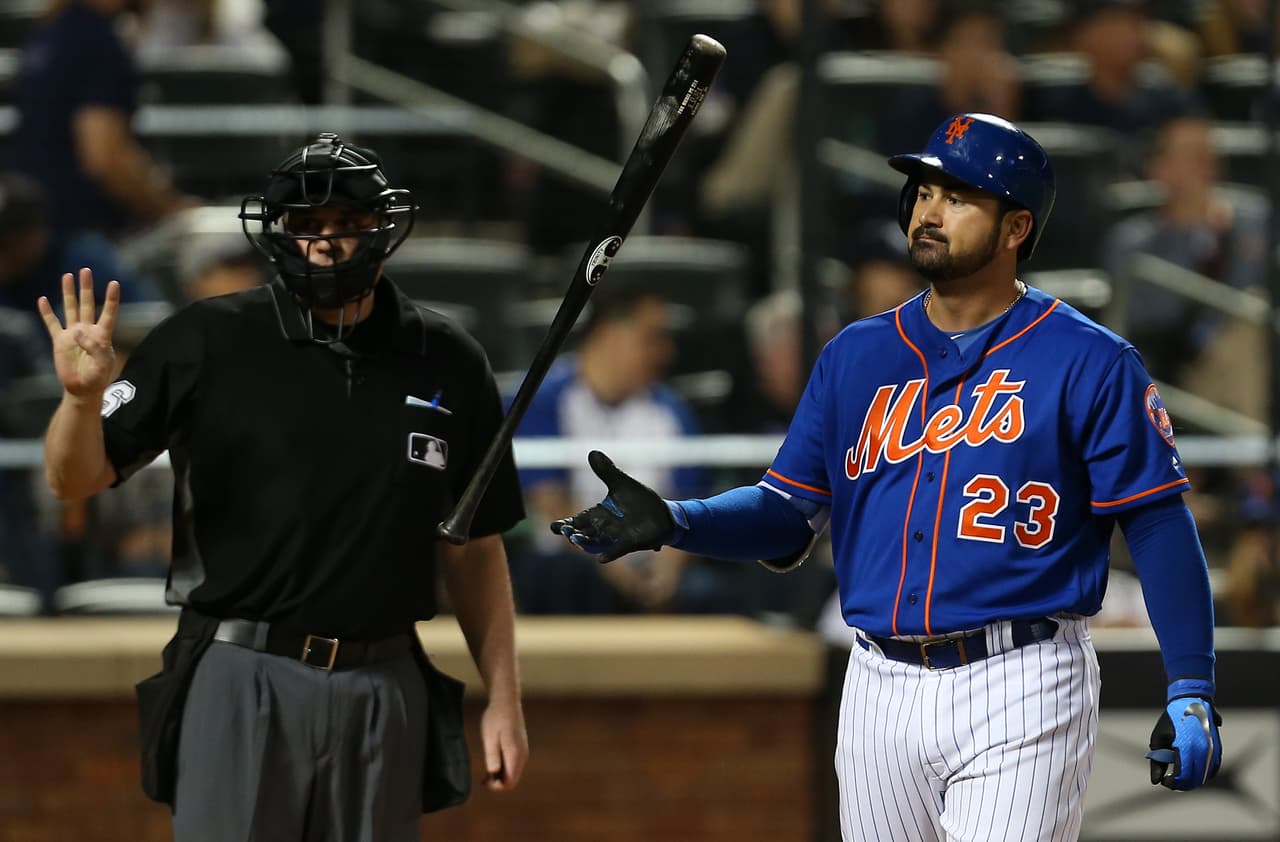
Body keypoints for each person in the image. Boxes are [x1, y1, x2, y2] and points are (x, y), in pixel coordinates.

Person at [551, 114, 1223, 839]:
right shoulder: (857, 355)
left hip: (1022, 676)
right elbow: (787, 510)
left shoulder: (1089, 360)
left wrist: (1190, 686)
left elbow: (1156, 522)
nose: (929, 209)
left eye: (960, 196)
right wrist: (680, 521)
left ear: (1016, 227)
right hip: (876, 679)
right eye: (924, 190)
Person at [38, 133, 528, 840]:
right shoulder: (206, 339)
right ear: (279, 237)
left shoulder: (448, 357)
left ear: (382, 229)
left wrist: (504, 700)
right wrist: (83, 401)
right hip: (242, 671)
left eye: (346, 223)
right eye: (306, 226)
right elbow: (73, 477)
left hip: (386, 677)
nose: (326, 243)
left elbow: (476, 547)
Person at [510, 280, 707, 614]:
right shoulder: (544, 400)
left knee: (708, 589)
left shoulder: (672, 410)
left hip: (655, 557)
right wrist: (618, 573)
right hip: (577, 558)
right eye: (652, 338)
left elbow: (692, 501)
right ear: (609, 334)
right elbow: (551, 504)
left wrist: (669, 571)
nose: (666, 352)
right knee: (564, 576)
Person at [14, 0, 195, 237]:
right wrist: (171, 210)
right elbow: (105, 158)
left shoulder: (46, 33)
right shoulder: (97, 42)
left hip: (32, 226)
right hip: (75, 231)